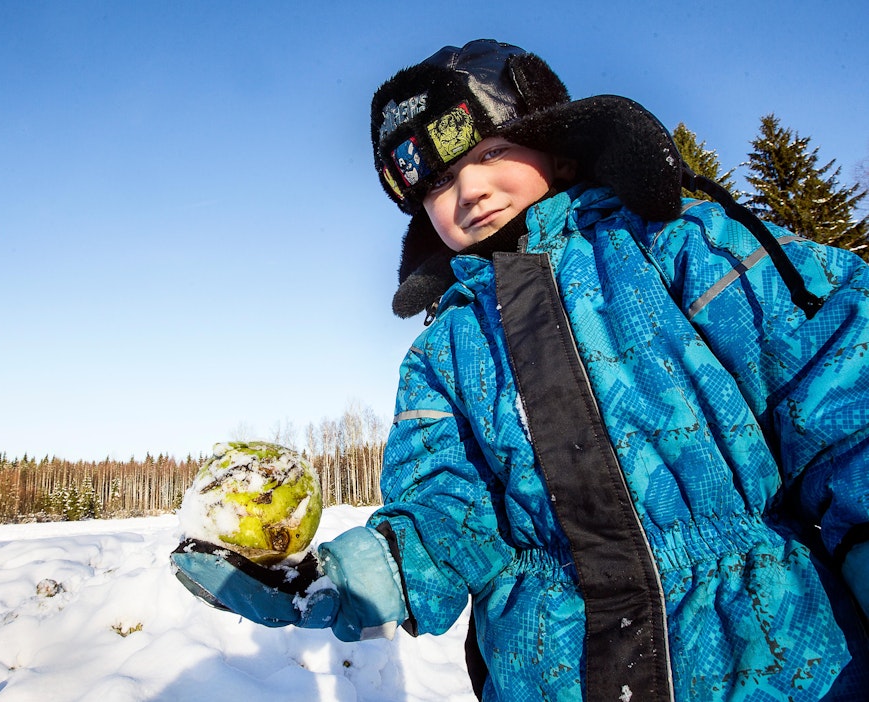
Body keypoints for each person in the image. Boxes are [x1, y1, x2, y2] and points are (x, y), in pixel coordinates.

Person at [173, 39, 869, 700]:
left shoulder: (680, 244)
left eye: (493, 152)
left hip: (775, 655)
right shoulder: (444, 349)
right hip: (553, 669)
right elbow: (446, 513)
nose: (469, 191)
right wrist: (350, 577)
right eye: (439, 184)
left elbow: (840, 395)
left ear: (560, 151)